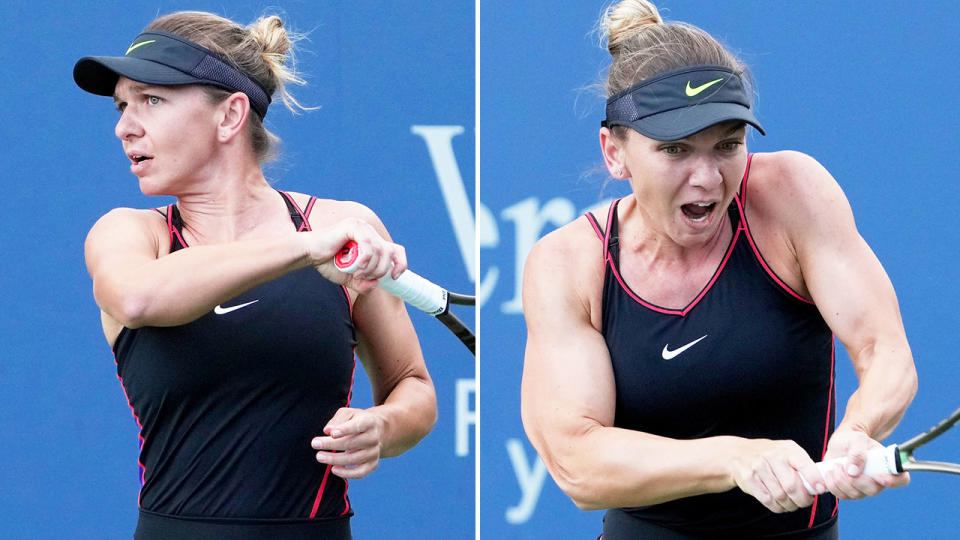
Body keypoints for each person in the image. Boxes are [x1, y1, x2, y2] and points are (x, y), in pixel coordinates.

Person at [520, 1, 918, 538]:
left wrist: (858, 428)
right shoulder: (567, 263)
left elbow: (884, 350)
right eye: (676, 149)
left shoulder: (792, 194)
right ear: (615, 153)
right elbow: (578, 463)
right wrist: (734, 460)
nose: (707, 178)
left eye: (727, 145)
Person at [74, 11, 437, 539]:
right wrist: (302, 248)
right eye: (122, 105)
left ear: (229, 116)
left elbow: (412, 387)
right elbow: (137, 299)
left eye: (151, 99)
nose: (124, 126)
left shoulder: (339, 227)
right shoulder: (129, 234)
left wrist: (382, 427)